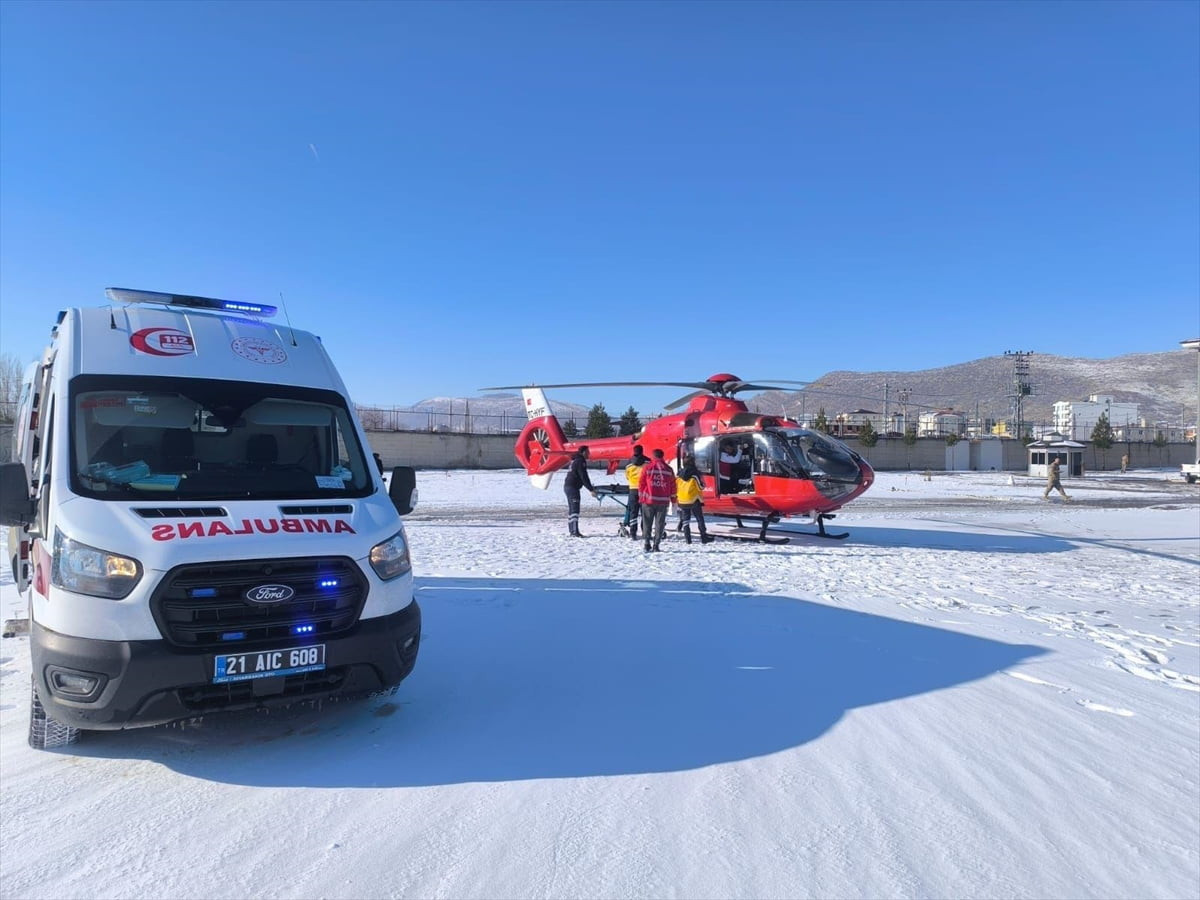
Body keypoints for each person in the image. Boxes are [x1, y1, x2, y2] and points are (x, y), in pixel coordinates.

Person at [638, 448, 677, 552]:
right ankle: (656, 545)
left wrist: (641, 497)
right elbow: (673, 486)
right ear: (662, 456)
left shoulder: (647, 468)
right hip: (663, 501)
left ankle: (647, 543)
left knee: (647, 523)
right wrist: (673, 500)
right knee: (659, 524)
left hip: (648, 500)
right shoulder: (669, 469)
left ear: (653, 456)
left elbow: (641, 483)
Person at [676, 453, 713, 545]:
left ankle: (688, 539)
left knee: (685, 519)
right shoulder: (695, 474)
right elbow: (700, 487)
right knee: (699, 518)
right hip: (694, 499)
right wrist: (703, 484)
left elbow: (676, 486)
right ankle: (704, 537)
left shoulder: (679, 474)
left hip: (682, 499)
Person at [563, 445, 597, 536]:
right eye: (588, 452)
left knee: (571, 510)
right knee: (575, 510)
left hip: (568, 486)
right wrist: (591, 489)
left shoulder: (575, 460)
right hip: (573, 487)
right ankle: (574, 531)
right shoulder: (580, 461)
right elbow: (583, 477)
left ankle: (572, 530)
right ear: (584, 452)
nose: (589, 454)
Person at [622, 445, 649, 540]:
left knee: (633, 511)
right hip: (645, 489)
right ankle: (645, 532)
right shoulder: (648, 462)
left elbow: (627, 475)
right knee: (645, 512)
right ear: (642, 451)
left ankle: (633, 532)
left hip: (633, 489)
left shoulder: (629, 463)